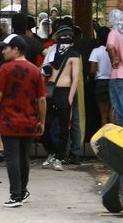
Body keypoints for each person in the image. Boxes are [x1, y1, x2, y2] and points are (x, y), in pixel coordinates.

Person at [0, 34, 46, 208]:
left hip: (10, 122)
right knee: (24, 158)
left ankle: (15, 196)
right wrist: (42, 121)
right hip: (30, 121)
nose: (3, 51)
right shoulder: (35, 70)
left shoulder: (6, 69)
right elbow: (42, 99)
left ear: (16, 49)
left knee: (12, 158)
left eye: (6, 48)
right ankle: (22, 192)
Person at [40, 26, 80, 171]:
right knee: (44, 125)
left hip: (64, 91)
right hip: (50, 91)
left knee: (64, 127)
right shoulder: (51, 52)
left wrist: (70, 97)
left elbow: (75, 78)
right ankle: (52, 152)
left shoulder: (74, 54)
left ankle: (58, 158)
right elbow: (42, 70)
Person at [89, 27, 113, 127]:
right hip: (113, 82)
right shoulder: (113, 50)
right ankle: (114, 138)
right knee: (111, 114)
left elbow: (93, 70)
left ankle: (104, 139)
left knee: (103, 116)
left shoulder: (96, 51)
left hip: (101, 83)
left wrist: (90, 76)